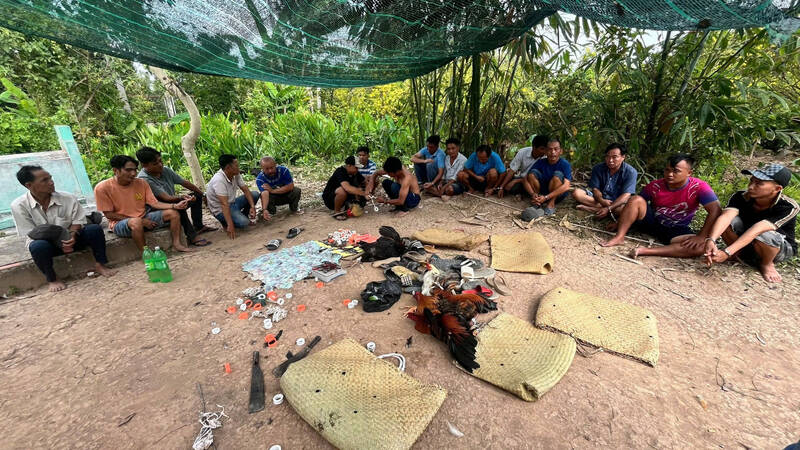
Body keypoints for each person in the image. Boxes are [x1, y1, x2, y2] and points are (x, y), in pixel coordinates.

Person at [11, 165, 117, 292]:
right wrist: (58, 239)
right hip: (48, 245)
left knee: (94, 229)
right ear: (29, 185)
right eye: (44, 180)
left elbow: (78, 220)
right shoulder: (19, 205)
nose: (51, 182)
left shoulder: (68, 197)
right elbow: (31, 233)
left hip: (72, 238)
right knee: (37, 246)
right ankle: (52, 279)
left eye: (50, 178)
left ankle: (100, 264)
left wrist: (72, 235)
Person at [601, 154, 722, 258]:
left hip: (677, 229)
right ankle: (619, 237)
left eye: (676, 171)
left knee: (702, 246)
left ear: (689, 173)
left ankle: (646, 251)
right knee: (636, 199)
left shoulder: (699, 187)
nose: (670, 174)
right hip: (652, 222)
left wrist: (701, 236)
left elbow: (715, 210)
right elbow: (634, 205)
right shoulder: (655, 186)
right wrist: (619, 224)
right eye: (667, 170)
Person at [704, 164, 797, 283]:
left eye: (759, 183)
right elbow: (726, 217)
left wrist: (727, 252)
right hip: (747, 240)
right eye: (751, 181)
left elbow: (758, 229)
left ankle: (767, 264)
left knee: (766, 234)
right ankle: (738, 255)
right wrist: (711, 239)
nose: (751, 187)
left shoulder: (788, 206)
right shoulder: (740, 197)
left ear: (777, 189)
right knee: (724, 220)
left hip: (776, 247)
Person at [95, 155, 193, 252]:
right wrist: (140, 221)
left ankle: (177, 244)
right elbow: (109, 214)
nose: (133, 173)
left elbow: (154, 203)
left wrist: (175, 206)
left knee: (173, 213)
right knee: (136, 222)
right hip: (120, 223)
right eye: (128, 170)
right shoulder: (102, 188)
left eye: (135, 169)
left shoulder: (141, 183)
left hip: (144, 216)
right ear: (115, 170)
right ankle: (146, 254)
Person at [136, 146, 213, 247]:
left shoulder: (165, 170)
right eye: (155, 164)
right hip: (157, 208)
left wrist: (202, 194)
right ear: (144, 165)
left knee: (196, 195)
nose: (160, 165)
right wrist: (182, 197)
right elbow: (166, 198)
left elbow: (184, 182)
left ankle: (198, 226)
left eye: (160, 161)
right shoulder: (144, 179)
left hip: (171, 201)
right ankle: (192, 236)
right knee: (178, 206)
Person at [573, 142, 638, 219]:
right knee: (577, 193)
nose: (610, 160)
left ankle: (595, 209)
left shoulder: (631, 172)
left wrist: (609, 208)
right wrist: (602, 200)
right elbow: (595, 189)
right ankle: (603, 210)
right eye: (608, 156)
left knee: (625, 209)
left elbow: (626, 195)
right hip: (598, 200)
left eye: (614, 157)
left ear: (623, 157)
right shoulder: (598, 168)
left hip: (617, 202)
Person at [206, 154, 260, 240]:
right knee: (244, 222)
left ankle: (241, 216)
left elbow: (245, 189)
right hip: (221, 210)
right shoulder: (219, 180)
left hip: (232, 203)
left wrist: (252, 207)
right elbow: (224, 204)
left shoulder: (235, 173)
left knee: (255, 194)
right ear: (228, 168)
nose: (238, 167)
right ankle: (227, 222)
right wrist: (230, 225)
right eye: (236, 165)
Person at [527, 138, 572, 214]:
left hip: (556, 195)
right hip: (543, 192)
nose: (552, 152)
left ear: (561, 151)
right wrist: (533, 194)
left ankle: (551, 203)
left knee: (557, 175)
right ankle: (537, 200)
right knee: (532, 173)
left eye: (556, 149)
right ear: (545, 151)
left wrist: (546, 197)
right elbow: (526, 178)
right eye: (550, 149)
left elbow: (566, 186)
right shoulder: (541, 162)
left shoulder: (565, 164)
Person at [498, 135, 548, 199]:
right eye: (542, 149)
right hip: (522, 179)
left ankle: (531, 194)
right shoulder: (523, 152)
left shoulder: (545, 158)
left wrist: (515, 181)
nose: (544, 151)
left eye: (546, 149)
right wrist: (502, 187)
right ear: (534, 147)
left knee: (516, 187)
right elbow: (512, 170)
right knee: (507, 182)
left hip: (533, 182)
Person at [255, 156, 303, 221]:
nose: (270, 171)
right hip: (274, 199)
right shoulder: (260, 179)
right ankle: (270, 213)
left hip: (286, 195)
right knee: (263, 195)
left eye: (272, 167)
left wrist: (272, 190)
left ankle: (294, 208)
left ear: (275, 165)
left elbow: (290, 186)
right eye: (267, 169)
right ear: (262, 169)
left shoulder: (284, 170)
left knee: (296, 190)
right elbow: (264, 193)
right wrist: (264, 209)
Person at [322, 155, 367, 220]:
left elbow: (365, 182)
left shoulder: (355, 173)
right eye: (356, 167)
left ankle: (351, 206)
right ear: (349, 165)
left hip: (346, 198)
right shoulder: (340, 172)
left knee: (358, 189)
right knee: (342, 191)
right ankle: (337, 212)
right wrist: (364, 193)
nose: (357, 170)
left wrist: (368, 190)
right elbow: (347, 188)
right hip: (330, 199)